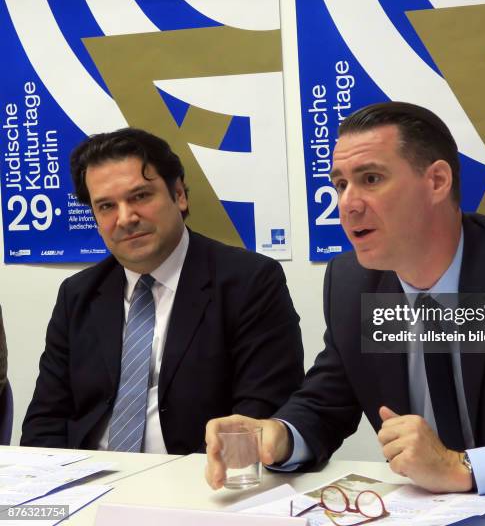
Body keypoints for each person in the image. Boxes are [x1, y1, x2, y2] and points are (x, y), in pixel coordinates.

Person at [205, 101, 485, 497]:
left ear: (437, 181)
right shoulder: (353, 284)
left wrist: (461, 467)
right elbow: (325, 404)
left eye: (371, 179)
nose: (347, 204)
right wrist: (278, 435)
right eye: (340, 184)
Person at [21, 128, 304, 453]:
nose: (125, 218)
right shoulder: (78, 294)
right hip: (88, 484)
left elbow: (260, 417)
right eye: (106, 206)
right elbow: (46, 420)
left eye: (140, 196)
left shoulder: (249, 282)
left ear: (179, 195)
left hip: (201, 483)